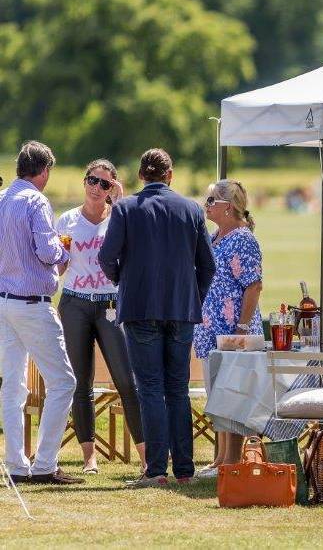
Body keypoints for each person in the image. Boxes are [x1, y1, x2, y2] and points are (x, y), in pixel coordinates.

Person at [99, 149, 216, 487]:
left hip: (139, 307)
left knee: (150, 387)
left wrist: (123, 279)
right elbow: (207, 266)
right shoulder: (192, 209)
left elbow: (106, 257)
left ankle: (155, 471)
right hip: (181, 310)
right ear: (170, 175)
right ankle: (184, 470)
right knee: (177, 388)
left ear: (141, 176)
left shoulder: (124, 208)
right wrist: (192, 295)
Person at [56, 159, 147, 474]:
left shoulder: (121, 219)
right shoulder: (66, 220)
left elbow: (138, 251)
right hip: (75, 305)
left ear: (113, 189)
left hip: (111, 305)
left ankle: (147, 460)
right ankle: (89, 459)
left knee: (126, 380)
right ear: (85, 182)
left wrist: (122, 204)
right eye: (93, 180)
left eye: (105, 184)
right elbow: (59, 267)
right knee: (81, 382)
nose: (97, 188)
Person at [0, 141, 82, 485]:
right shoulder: (36, 200)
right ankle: (45, 463)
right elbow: (47, 251)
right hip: (32, 302)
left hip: (4, 301)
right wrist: (66, 250)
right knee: (64, 382)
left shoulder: (3, 197)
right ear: (44, 171)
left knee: (13, 386)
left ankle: (16, 464)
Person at [192, 180, 263, 478]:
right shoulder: (215, 237)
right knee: (217, 396)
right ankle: (220, 459)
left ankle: (231, 461)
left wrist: (243, 327)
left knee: (231, 396)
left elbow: (253, 285)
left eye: (211, 200)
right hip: (211, 331)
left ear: (228, 206)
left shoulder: (243, 239)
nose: (206, 205)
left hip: (234, 331)